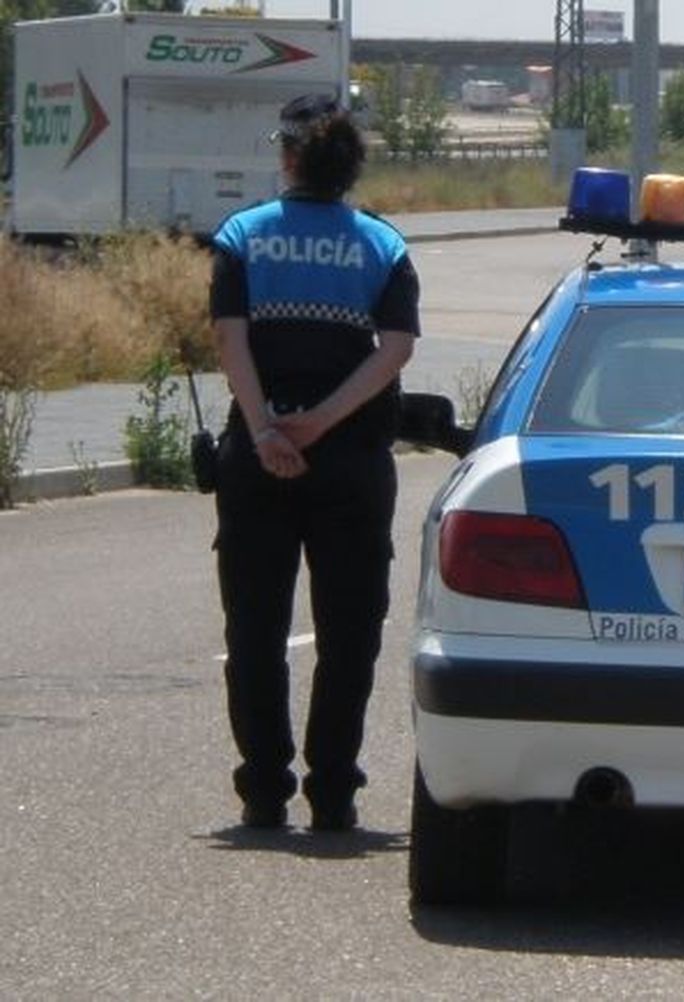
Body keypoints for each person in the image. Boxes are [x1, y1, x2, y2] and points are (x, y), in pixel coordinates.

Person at [209, 93, 420, 831]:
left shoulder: (242, 235)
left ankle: (263, 788)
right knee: (350, 630)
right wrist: (322, 425)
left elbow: (231, 343)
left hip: (257, 459)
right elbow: (394, 351)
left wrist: (269, 430)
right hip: (352, 461)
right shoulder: (382, 245)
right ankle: (333, 790)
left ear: (290, 157)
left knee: (255, 630)